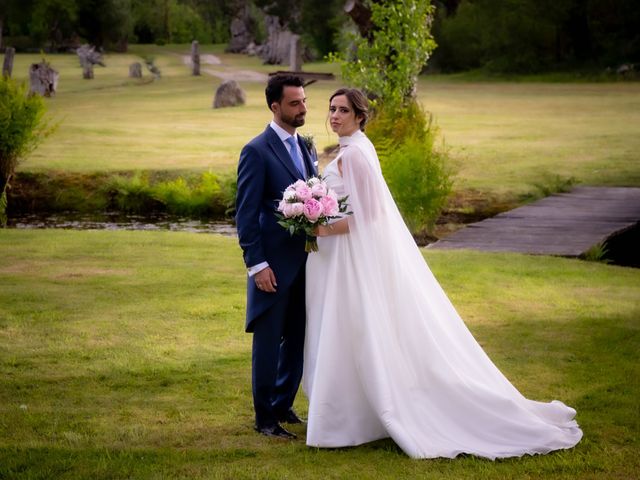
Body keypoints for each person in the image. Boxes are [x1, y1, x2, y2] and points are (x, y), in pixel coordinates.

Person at [302, 88, 583, 459]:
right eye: (332, 109)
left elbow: (368, 216)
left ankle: (349, 419)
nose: (334, 116)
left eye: (343, 110)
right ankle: (354, 414)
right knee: (353, 330)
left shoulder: (354, 155)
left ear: (359, 116)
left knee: (352, 328)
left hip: (348, 258)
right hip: (344, 257)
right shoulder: (358, 148)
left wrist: (321, 226)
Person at [236, 75, 317, 439]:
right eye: (294, 103)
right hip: (272, 265)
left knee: (299, 338)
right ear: (275, 107)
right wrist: (257, 264)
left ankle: (284, 403)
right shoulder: (256, 150)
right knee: (268, 342)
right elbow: (246, 212)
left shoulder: (307, 146)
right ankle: (265, 417)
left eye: (303, 101)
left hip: (307, 263)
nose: (303, 109)